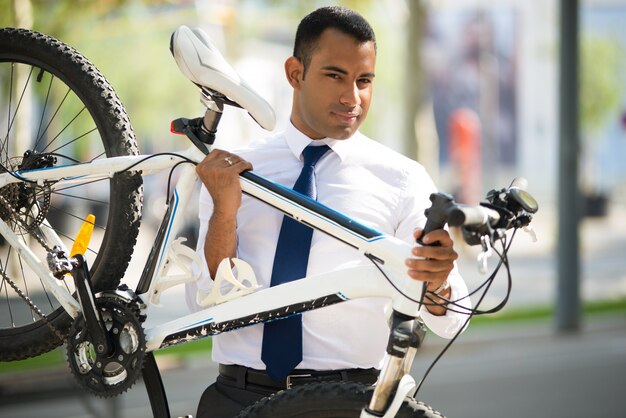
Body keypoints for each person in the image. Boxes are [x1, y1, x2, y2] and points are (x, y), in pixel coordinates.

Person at [186, 6, 470, 417]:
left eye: (364, 80)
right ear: (295, 73)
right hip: (239, 398)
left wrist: (438, 282)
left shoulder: (402, 178)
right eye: (335, 76)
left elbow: (451, 319)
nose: (351, 97)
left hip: (349, 403)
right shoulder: (236, 171)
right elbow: (204, 306)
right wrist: (225, 213)